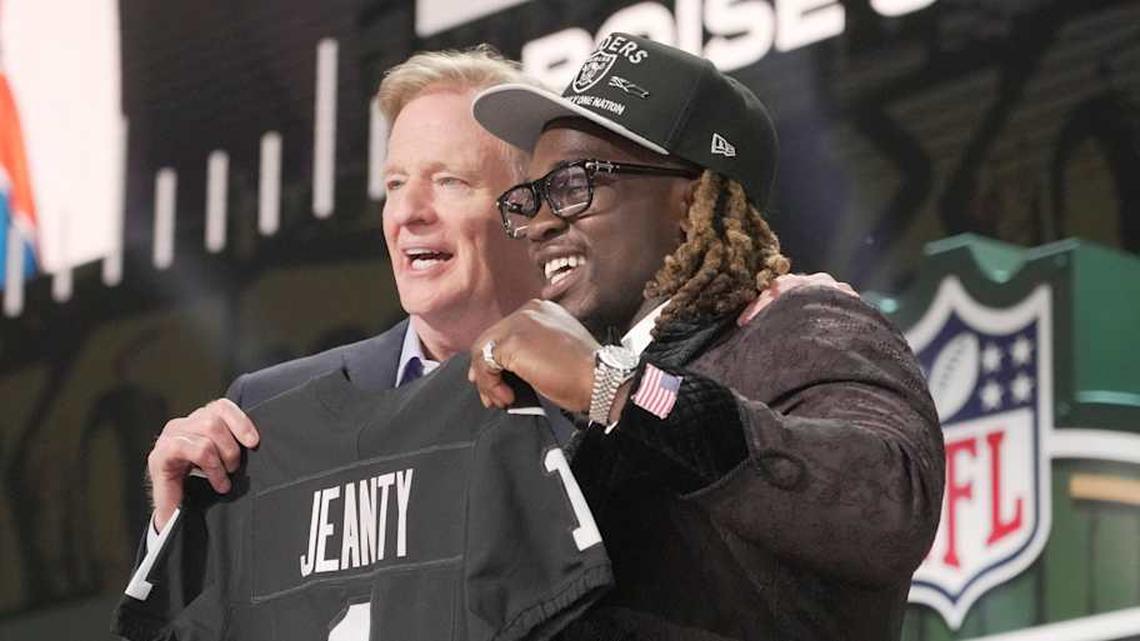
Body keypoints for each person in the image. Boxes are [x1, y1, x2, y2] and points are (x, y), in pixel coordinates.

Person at [467, 33, 944, 640]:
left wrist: (615, 387)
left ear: (691, 199)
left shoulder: (801, 322)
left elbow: (888, 506)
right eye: (529, 198)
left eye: (572, 185)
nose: (537, 223)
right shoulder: (578, 399)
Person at [142, 46, 543, 535]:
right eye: (395, 183)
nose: (408, 212)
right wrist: (174, 523)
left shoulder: (601, 394)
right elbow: (211, 610)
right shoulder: (270, 416)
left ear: (529, 209)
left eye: (448, 181)